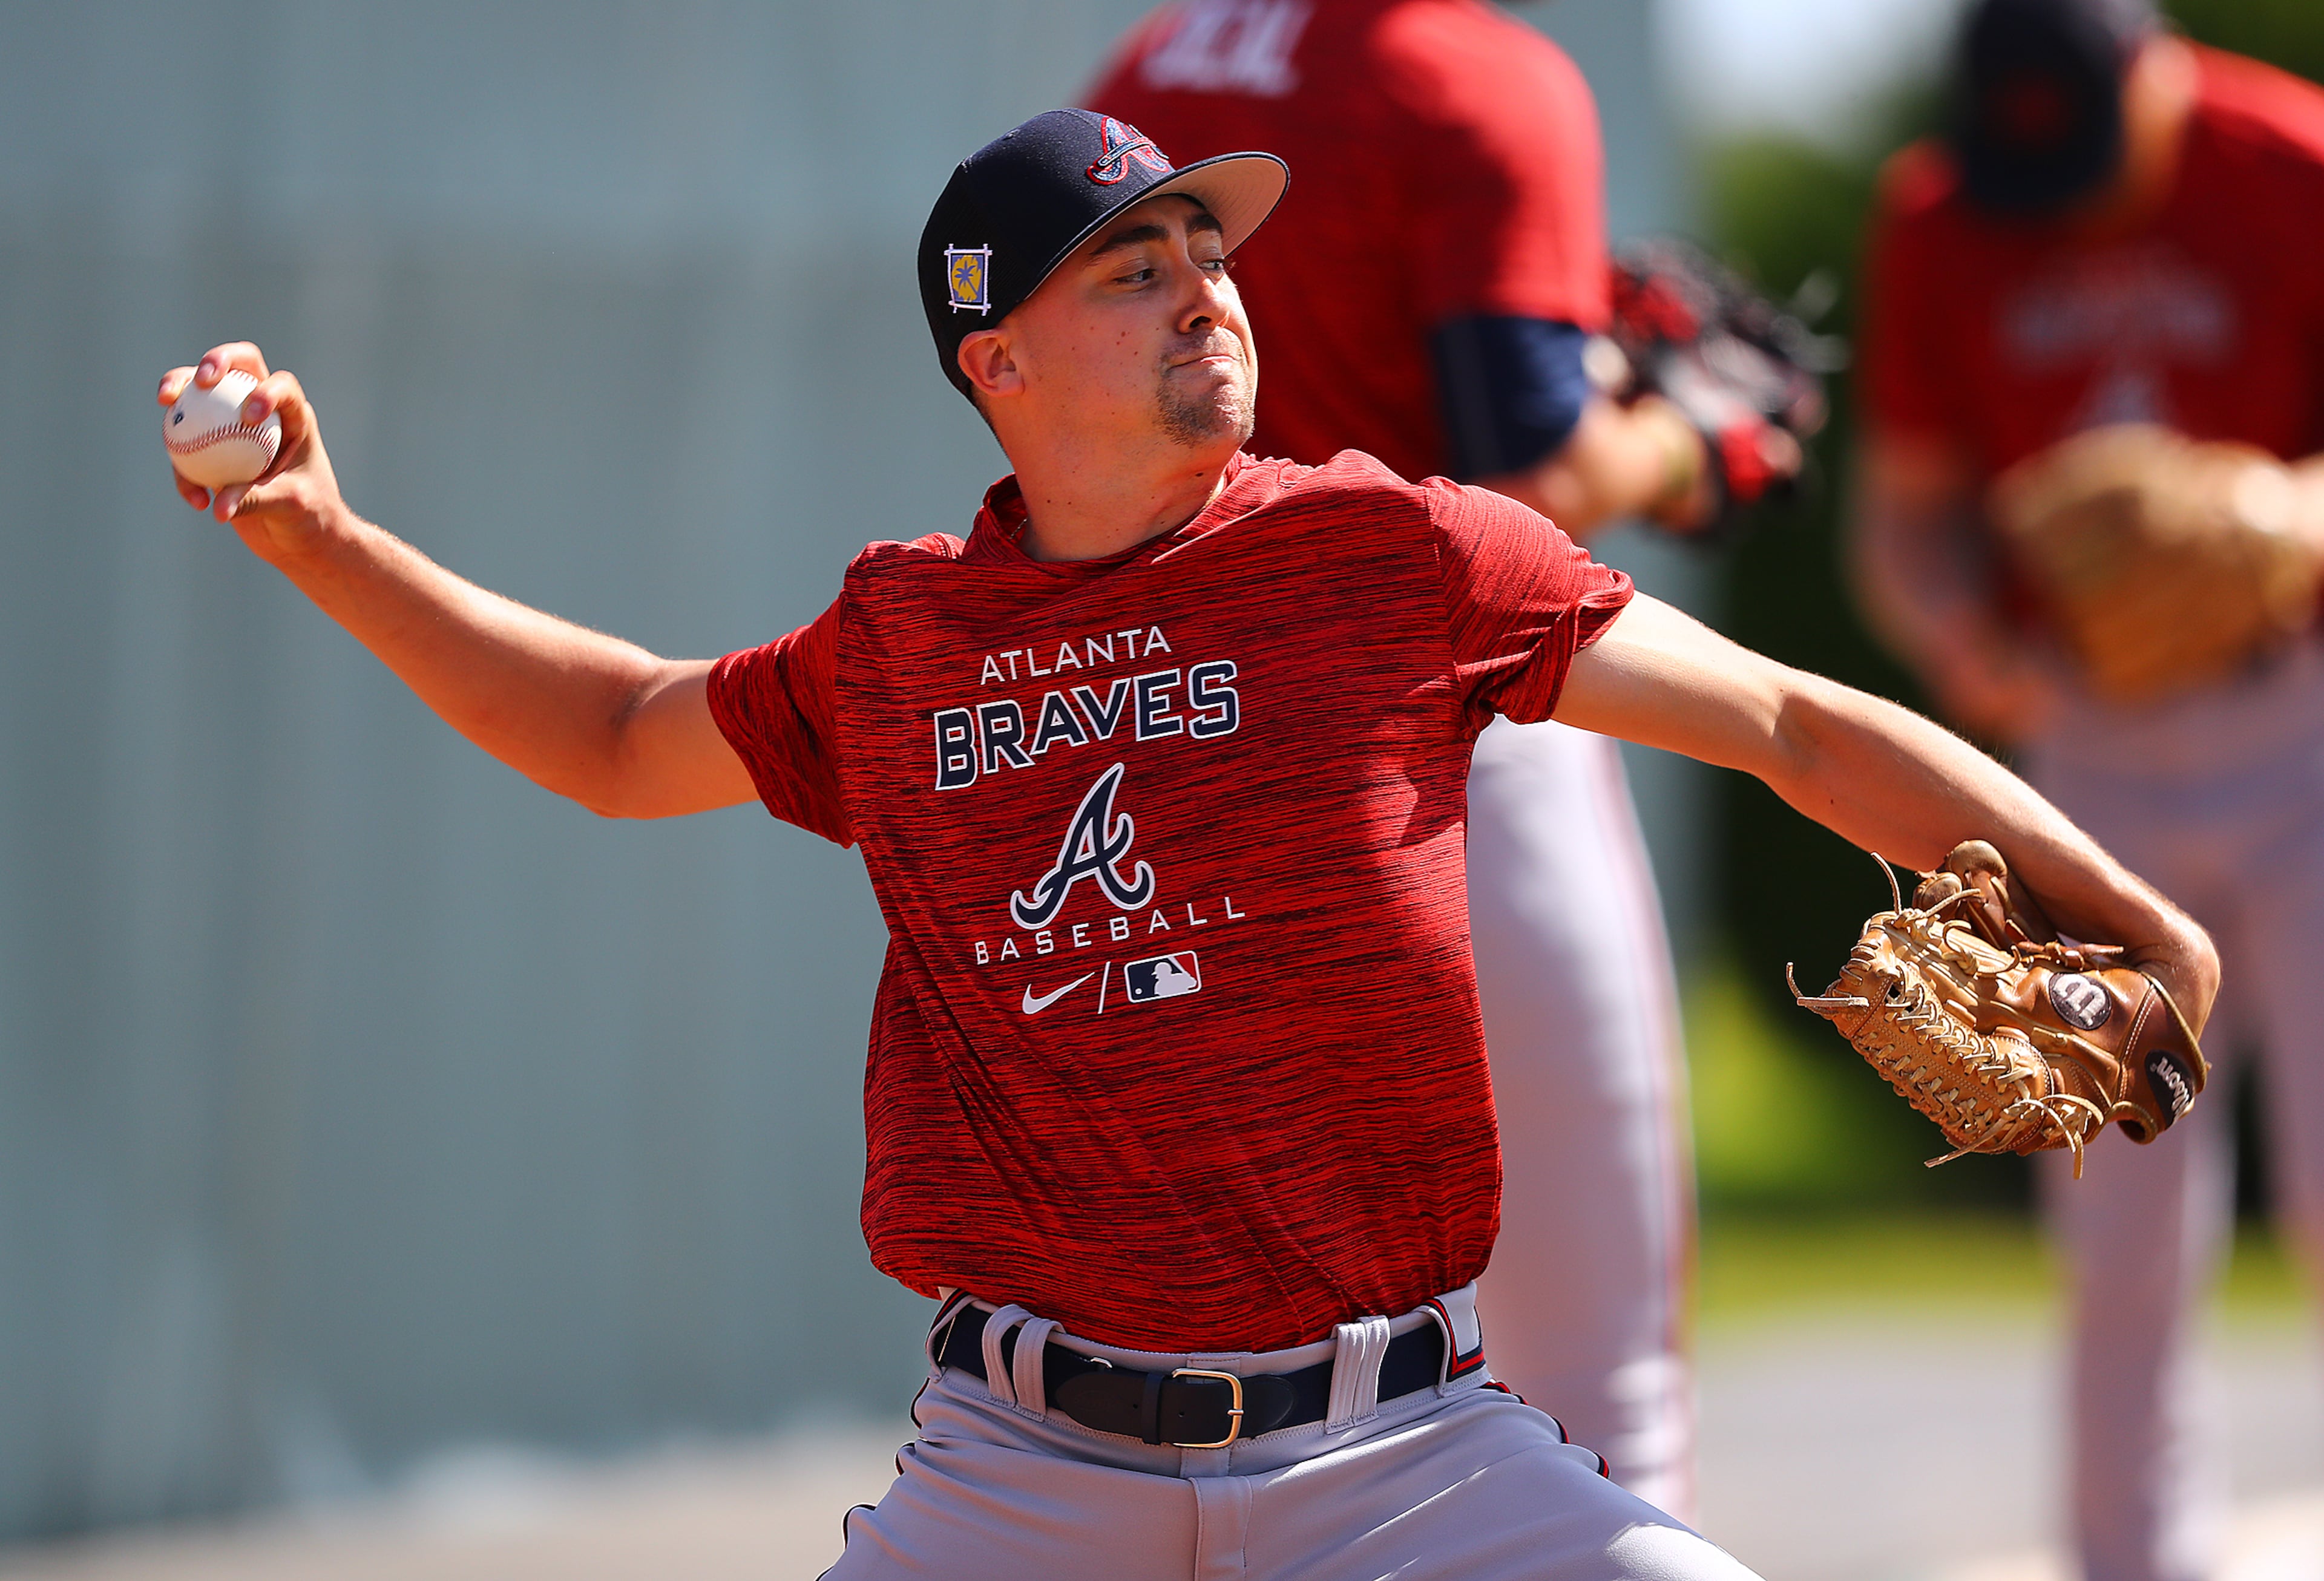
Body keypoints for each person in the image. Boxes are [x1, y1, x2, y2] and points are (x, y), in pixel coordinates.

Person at [165, 106, 2215, 1581]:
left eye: (1209, 254)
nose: (1203, 293)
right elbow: (616, 733)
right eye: (1131, 267)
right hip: (1017, 1466)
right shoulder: (901, 640)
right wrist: (319, 535)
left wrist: (2126, 912)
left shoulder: (1390, 551)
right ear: (999, 361)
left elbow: (1786, 720)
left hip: (1404, 1457)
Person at [1086, 1, 1804, 1515]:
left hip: (1171, 746)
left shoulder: (1149, 68)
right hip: (1446, 743)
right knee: (1597, 1382)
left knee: (1216, 1380)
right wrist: (1685, 441)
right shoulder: (1472, 76)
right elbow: (1524, 467)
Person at [1850, 2, 2324, 1577]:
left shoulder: (2292, 161)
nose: (2052, 190)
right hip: (2087, 741)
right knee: (2118, 1214)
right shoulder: (1942, 212)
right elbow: (1904, 518)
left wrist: (2279, 513)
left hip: (2305, 712)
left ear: (2150, 71)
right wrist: (1967, 640)